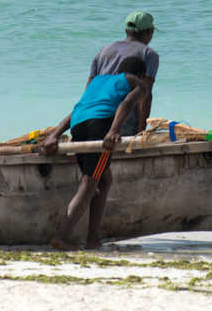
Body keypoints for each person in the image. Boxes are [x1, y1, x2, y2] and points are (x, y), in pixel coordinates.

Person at [41, 56, 151, 250]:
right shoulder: (137, 83)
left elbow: (77, 109)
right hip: (99, 127)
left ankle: (93, 238)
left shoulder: (98, 81)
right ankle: (61, 237)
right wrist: (113, 130)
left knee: (104, 179)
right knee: (89, 183)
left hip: (78, 126)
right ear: (142, 74)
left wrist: (54, 135)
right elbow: (125, 104)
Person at [87, 11, 159, 135]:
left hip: (91, 116)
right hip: (122, 121)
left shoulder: (104, 50)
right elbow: (144, 95)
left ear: (126, 31)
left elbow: (90, 89)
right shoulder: (148, 54)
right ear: (149, 32)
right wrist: (140, 132)